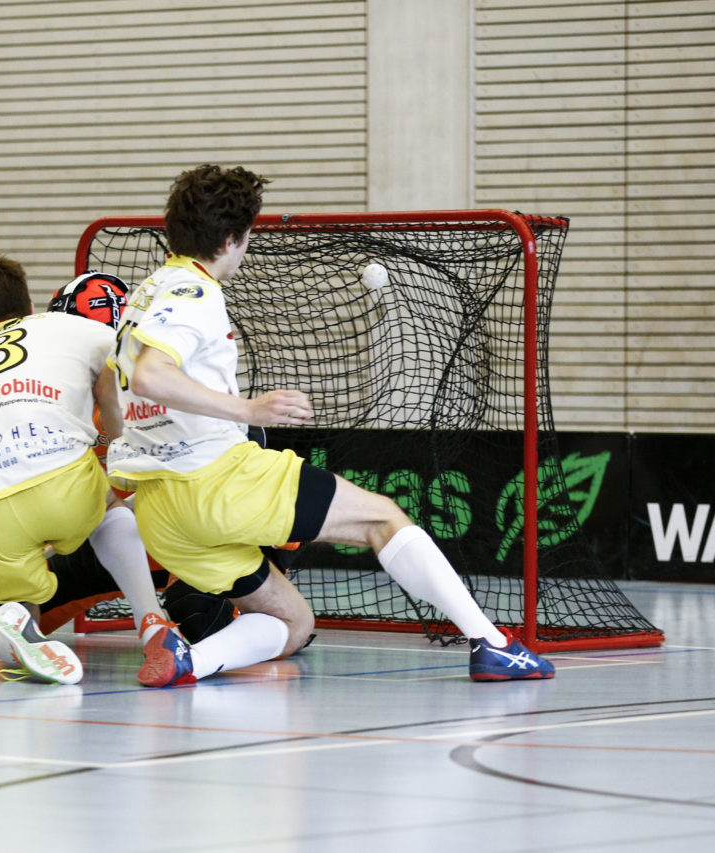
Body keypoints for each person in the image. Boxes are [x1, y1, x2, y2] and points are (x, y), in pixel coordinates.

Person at [106, 164, 556, 686]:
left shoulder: (144, 293)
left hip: (162, 513)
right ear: (232, 239)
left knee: (292, 622)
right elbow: (150, 375)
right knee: (382, 518)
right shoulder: (196, 293)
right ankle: (494, 644)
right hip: (214, 481)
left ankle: (189, 661)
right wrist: (249, 411)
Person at [0, 255, 188, 686]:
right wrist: (122, 449)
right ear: (32, 307)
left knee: (11, 617)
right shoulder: (76, 329)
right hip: (64, 489)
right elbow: (131, 374)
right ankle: (152, 623)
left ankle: (23, 636)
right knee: (112, 509)